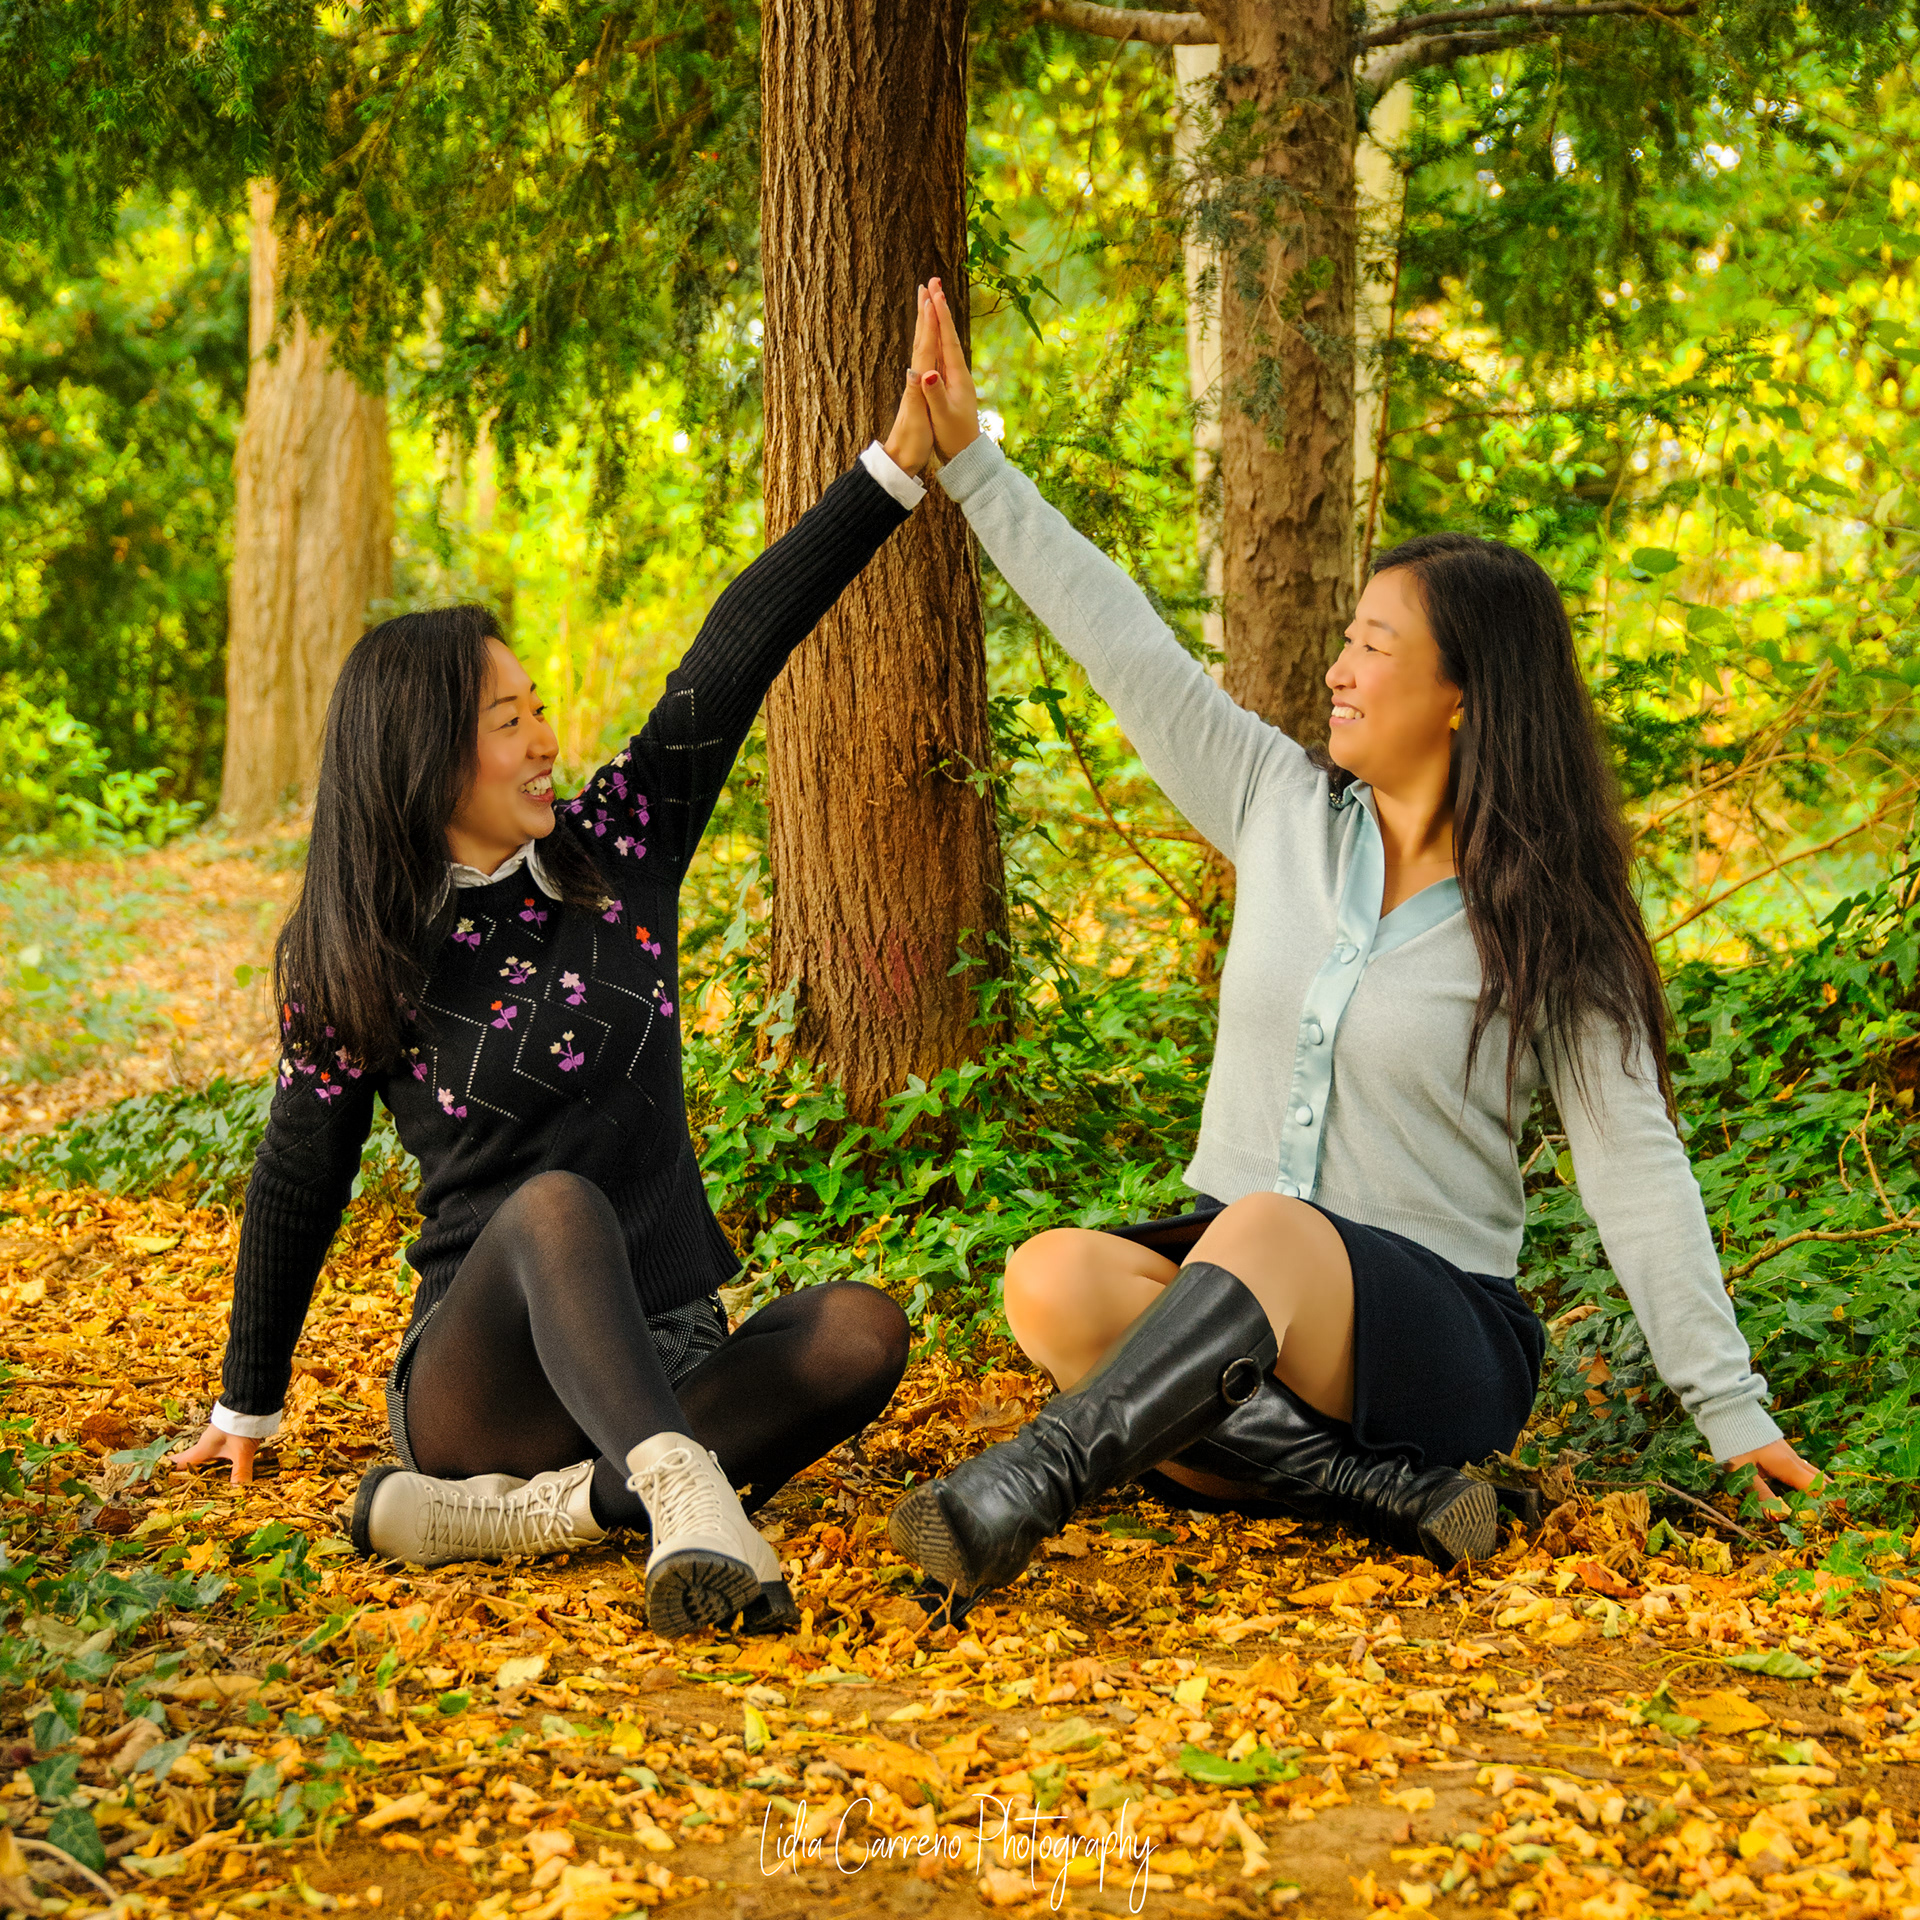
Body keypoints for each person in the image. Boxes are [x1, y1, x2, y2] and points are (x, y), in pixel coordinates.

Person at [888, 280, 1820, 1599]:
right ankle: (1361, 1486)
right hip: (1241, 1294)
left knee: (1261, 1233)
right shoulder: (1279, 809)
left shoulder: (1552, 924)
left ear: (1459, 697)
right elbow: (1125, 647)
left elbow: (1636, 1167)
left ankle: (1028, 1485)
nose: (1338, 669)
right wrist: (973, 464)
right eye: (1346, 640)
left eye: (1373, 646)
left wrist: (1732, 1410)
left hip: (1430, 1329)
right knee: (1049, 1283)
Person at [174, 299, 951, 1638]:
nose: (547, 738)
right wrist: (252, 1397)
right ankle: (685, 1501)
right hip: (484, 1381)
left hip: (671, 1347)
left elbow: (736, 649)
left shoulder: (619, 849)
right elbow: (300, 1164)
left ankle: (546, 1515)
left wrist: (892, 469)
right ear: (426, 759)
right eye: (511, 719)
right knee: (551, 1207)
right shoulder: (360, 950)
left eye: (540, 710)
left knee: (859, 1330)